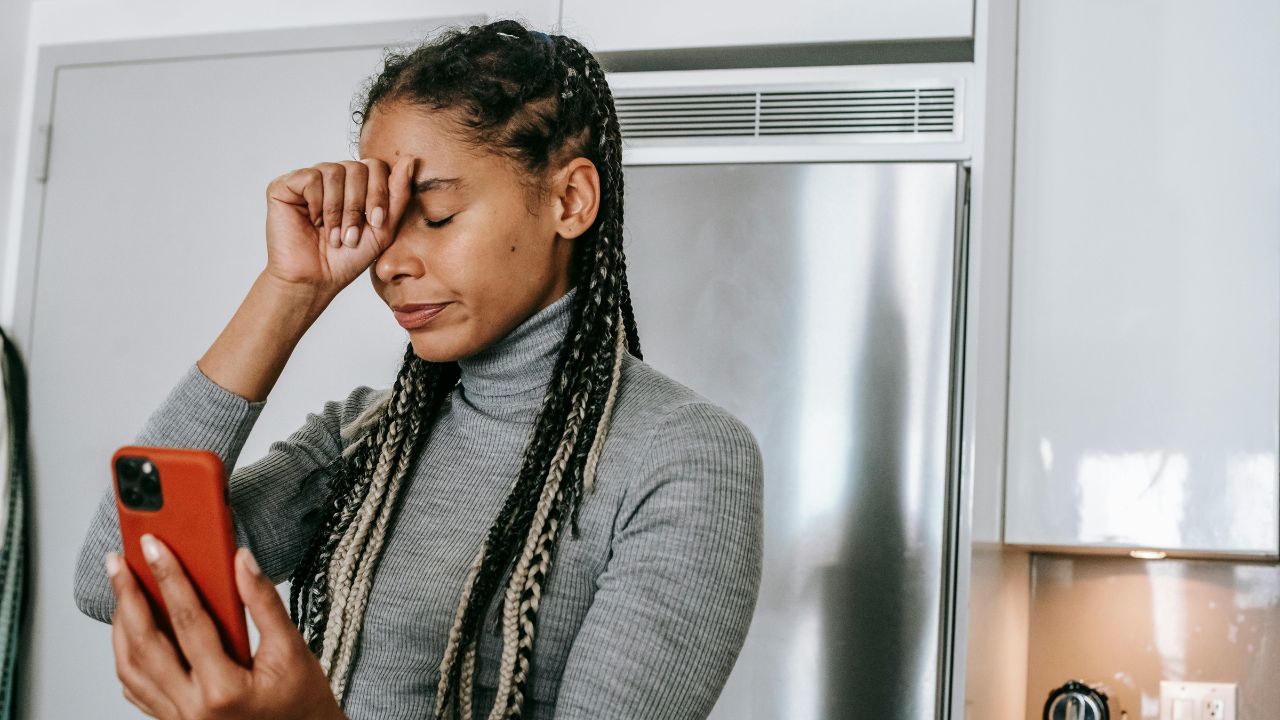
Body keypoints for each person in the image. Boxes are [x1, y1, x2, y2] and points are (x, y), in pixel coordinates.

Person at [72, 18, 764, 720]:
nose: (391, 262)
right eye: (385, 220)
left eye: (433, 214)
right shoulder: (365, 435)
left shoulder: (682, 457)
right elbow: (118, 571)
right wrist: (291, 288)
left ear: (569, 201)